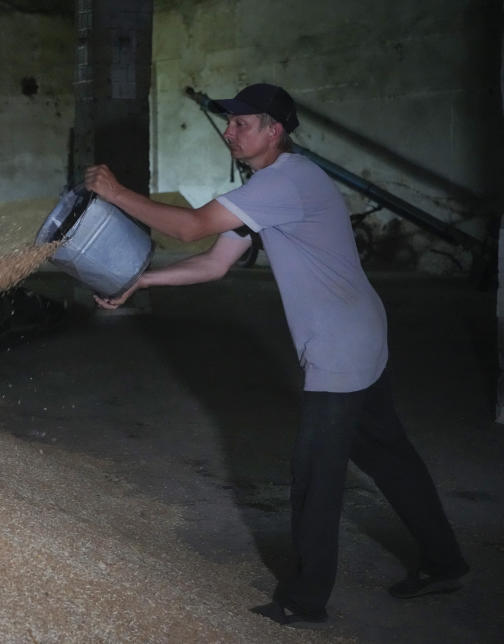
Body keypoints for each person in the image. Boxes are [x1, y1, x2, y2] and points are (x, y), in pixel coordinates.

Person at [83, 83, 468, 626]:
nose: (229, 131)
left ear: (275, 131)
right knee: (388, 453)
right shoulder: (270, 187)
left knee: (314, 474)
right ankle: (445, 561)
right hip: (359, 332)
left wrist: (118, 193)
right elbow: (215, 263)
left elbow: (191, 227)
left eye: (243, 124)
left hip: (340, 345)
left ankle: (305, 600)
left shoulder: (289, 180)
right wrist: (139, 282)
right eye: (229, 122)